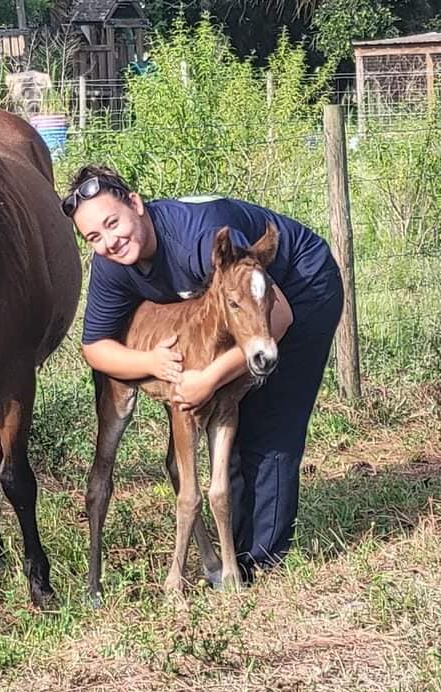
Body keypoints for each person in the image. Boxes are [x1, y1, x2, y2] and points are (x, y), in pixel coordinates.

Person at [62, 164, 344, 579]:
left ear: (136, 205)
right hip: (234, 315)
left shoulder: (198, 239)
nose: (109, 241)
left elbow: (279, 315)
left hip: (296, 289)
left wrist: (209, 378)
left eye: (112, 223)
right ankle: (233, 558)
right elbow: (95, 347)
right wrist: (151, 363)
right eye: (94, 237)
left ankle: (262, 561)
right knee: (222, 414)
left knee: (268, 422)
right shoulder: (111, 264)